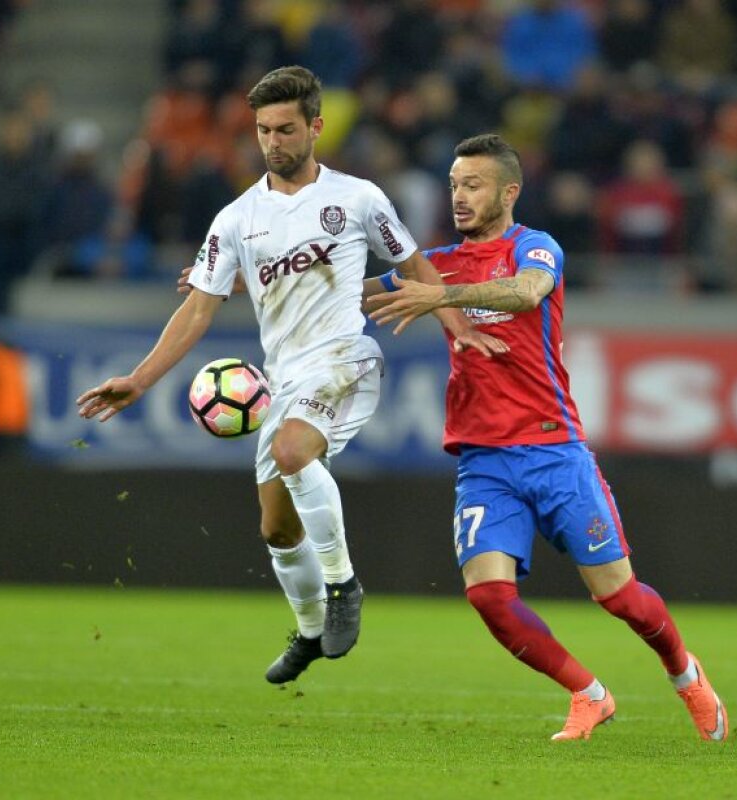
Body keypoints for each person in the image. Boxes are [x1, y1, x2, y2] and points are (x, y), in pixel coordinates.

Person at [77, 66, 495, 684]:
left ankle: (344, 586)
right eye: (264, 130)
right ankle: (307, 630)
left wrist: (459, 331)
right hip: (287, 379)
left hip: (347, 360)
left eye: (286, 129)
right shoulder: (237, 219)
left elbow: (417, 268)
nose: (273, 142)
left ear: (316, 127)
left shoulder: (359, 198)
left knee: (294, 449)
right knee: (276, 526)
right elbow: (198, 306)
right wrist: (139, 380)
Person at [365, 133, 730, 742]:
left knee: (619, 598)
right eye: (454, 184)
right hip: (483, 459)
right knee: (487, 597)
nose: (459, 196)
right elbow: (353, 291)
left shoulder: (536, 248)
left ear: (508, 192)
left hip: (553, 450)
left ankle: (685, 674)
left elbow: (526, 293)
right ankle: (589, 695)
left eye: (473, 185)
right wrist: (246, 283)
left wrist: (442, 296)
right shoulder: (435, 262)